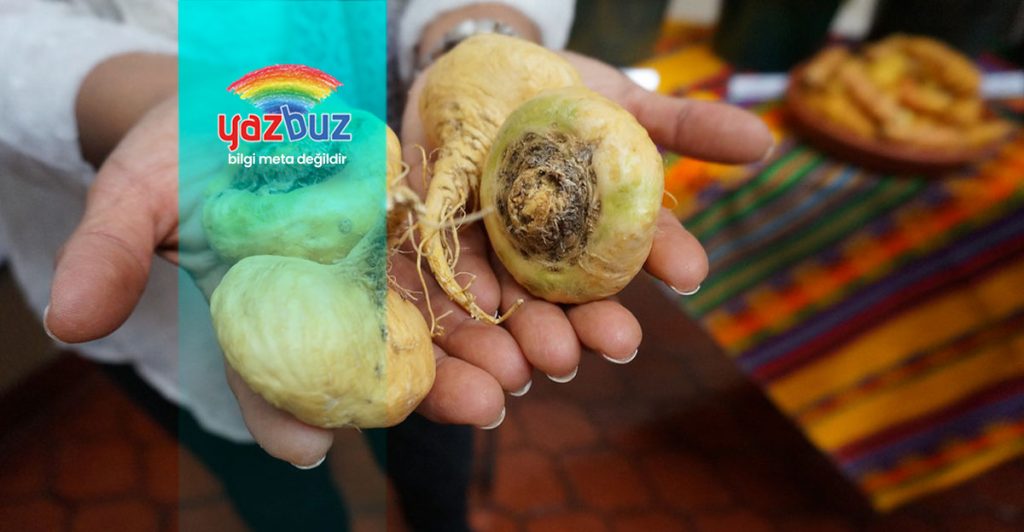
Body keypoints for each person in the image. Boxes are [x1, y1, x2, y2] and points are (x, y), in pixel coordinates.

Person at [0, 0, 772, 529]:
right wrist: (156, 99)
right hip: (174, 184)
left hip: (398, 119)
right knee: (269, 472)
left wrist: (469, 34)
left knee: (436, 431)